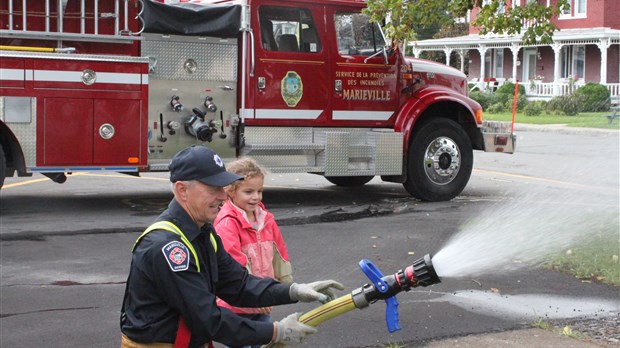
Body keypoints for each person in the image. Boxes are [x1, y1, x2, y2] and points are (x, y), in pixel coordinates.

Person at [120, 145, 344, 348]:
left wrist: (293, 291)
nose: (222, 195)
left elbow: (238, 285)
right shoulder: (168, 247)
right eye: (213, 188)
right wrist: (275, 332)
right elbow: (206, 319)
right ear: (182, 190)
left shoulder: (202, 232)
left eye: (223, 187)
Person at [214, 157, 291, 348]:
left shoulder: (265, 218)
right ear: (231, 191)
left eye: (259, 191)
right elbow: (234, 266)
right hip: (237, 305)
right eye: (248, 192)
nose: (256, 197)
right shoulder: (227, 223)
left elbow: (279, 252)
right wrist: (258, 297)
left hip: (261, 299)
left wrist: (283, 284)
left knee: (264, 342)